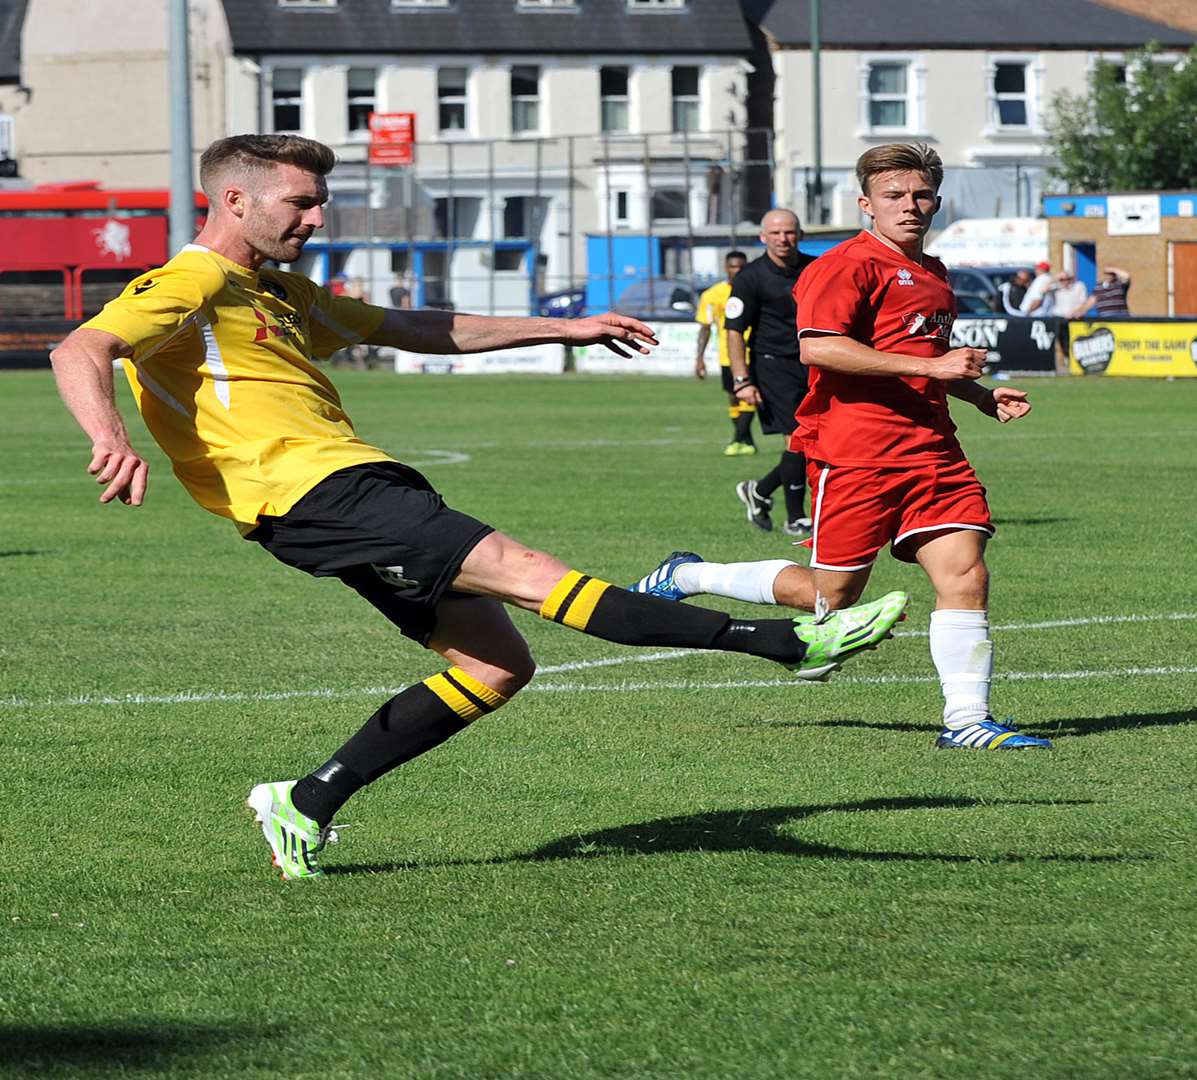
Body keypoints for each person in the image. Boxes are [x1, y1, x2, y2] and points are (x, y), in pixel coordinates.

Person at [46, 134, 911, 881]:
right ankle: (789, 640)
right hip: (309, 489)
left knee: (494, 666)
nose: (316, 218)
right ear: (233, 199)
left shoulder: (279, 290)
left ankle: (303, 801)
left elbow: (418, 328)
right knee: (536, 578)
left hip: (353, 486)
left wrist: (560, 327)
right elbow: (82, 346)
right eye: (300, 203)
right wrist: (110, 435)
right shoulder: (192, 280)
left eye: (320, 202)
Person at [634, 143, 1048, 752]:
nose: (911, 206)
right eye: (895, 197)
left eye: (922, 195)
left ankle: (966, 721)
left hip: (934, 452)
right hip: (858, 453)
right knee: (829, 596)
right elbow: (819, 348)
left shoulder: (933, 272)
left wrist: (977, 394)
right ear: (866, 205)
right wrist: (933, 370)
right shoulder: (843, 266)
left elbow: (924, 364)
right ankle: (690, 573)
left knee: (966, 574)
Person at [727, 210, 816, 536]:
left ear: (800, 234)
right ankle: (796, 518)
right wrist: (741, 380)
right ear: (763, 237)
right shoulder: (749, 277)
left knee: (818, 440)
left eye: (789, 232)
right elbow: (734, 330)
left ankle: (760, 491)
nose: (783, 239)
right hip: (771, 364)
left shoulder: (814, 268)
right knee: (798, 437)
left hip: (815, 364)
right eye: (776, 233)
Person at [696, 250, 755, 455]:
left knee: (749, 395)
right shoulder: (712, 295)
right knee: (732, 396)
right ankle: (746, 441)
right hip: (727, 355)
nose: (737, 270)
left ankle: (737, 439)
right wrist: (699, 359)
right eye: (733, 266)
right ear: (725, 268)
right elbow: (705, 327)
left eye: (741, 266)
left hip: (754, 353)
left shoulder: (754, 290)